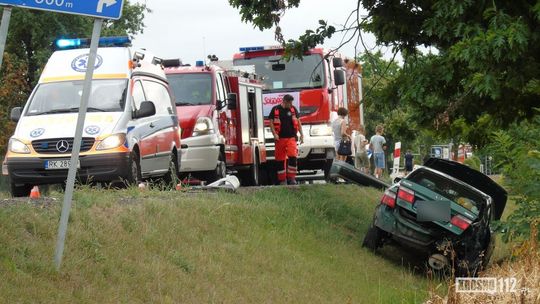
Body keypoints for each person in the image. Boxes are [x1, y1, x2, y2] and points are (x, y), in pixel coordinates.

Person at [269, 94, 304, 185]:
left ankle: (291, 178)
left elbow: (299, 122)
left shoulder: (293, 109)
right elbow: (271, 123)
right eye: (289, 102)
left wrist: (302, 134)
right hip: (280, 139)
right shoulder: (275, 109)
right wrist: (274, 134)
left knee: (293, 156)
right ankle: (282, 180)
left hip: (291, 137)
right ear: (284, 101)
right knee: (280, 159)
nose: (291, 104)